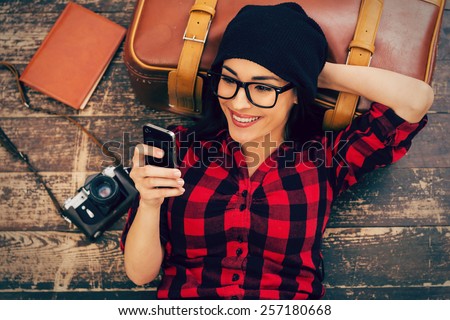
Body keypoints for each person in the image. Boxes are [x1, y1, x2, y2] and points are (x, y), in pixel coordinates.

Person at [120, 3, 433, 299]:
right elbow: (140, 274)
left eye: (263, 87)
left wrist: (310, 72)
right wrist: (149, 203)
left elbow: (415, 99)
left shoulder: (324, 161)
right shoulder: (181, 150)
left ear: (296, 93)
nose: (239, 103)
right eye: (229, 81)